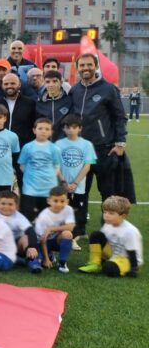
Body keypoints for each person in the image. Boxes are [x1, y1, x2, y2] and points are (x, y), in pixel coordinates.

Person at [69, 53, 129, 201]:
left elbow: (120, 116)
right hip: (80, 150)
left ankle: (108, 223)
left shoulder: (108, 89)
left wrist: (120, 143)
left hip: (104, 149)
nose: (86, 68)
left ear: (95, 66)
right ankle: (80, 223)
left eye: (89, 64)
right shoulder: (74, 90)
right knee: (80, 191)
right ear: (77, 68)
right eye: (82, 65)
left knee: (108, 192)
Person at [79, 196, 143, 277]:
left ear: (123, 216)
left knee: (109, 268)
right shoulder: (107, 224)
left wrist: (133, 269)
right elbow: (103, 242)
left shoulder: (130, 231)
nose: (106, 215)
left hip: (126, 259)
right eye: (105, 212)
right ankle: (95, 263)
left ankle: (109, 265)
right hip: (113, 254)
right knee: (96, 235)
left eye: (111, 213)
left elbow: (132, 252)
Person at [56, 114, 97, 238]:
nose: (71, 130)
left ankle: (78, 233)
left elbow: (87, 166)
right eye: (67, 127)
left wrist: (75, 183)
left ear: (80, 128)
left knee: (78, 209)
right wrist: (63, 181)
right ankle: (63, 233)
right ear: (64, 129)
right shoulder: (58, 144)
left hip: (78, 185)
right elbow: (56, 166)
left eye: (74, 127)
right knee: (63, 209)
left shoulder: (87, 145)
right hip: (62, 184)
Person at [17, 118, 63, 220]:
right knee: (27, 216)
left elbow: (57, 166)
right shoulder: (27, 147)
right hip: (30, 188)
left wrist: (48, 176)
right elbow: (22, 166)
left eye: (47, 129)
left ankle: (44, 235)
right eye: (40, 128)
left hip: (48, 188)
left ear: (51, 132)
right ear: (34, 130)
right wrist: (32, 174)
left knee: (46, 217)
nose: (43, 131)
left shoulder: (54, 148)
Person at [33, 185, 76, 273]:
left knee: (67, 234)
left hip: (55, 240)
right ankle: (48, 255)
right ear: (49, 201)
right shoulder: (44, 216)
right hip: (42, 243)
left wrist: (51, 229)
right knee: (39, 261)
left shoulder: (68, 209)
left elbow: (70, 227)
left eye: (62, 201)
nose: (59, 204)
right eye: (55, 201)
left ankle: (62, 262)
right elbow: (42, 240)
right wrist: (46, 259)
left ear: (67, 201)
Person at [0, 73, 36, 148]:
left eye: (13, 83)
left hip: (23, 147)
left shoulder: (30, 103)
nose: (9, 86)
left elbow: (34, 125)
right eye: (6, 84)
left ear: (19, 84)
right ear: (2, 85)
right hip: (1, 146)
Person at [35, 70, 71, 140]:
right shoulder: (39, 103)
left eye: (54, 81)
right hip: (45, 142)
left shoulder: (69, 100)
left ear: (61, 82)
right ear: (44, 83)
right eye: (47, 82)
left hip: (64, 142)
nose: (51, 85)